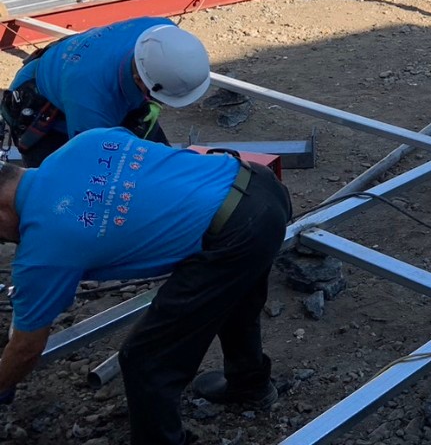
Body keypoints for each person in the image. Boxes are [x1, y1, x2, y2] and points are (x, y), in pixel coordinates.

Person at [0, 129, 292, 445]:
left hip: (235, 234)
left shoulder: (42, 248)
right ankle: (250, 384)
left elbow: (27, 348)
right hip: (259, 186)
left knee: (146, 360)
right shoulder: (83, 143)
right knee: (236, 297)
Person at [1, 18, 211, 167]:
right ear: (139, 80)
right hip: (42, 105)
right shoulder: (90, 101)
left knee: (162, 162)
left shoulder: (161, 34)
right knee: (56, 191)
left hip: (90, 77)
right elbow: (93, 165)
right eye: (158, 97)